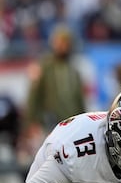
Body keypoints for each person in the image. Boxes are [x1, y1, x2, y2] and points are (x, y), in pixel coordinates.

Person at [21, 24, 86, 163]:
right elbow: (33, 96)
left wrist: (83, 123)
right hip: (48, 124)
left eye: (66, 43)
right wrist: (31, 122)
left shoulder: (74, 71)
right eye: (60, 43)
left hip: (71, 127)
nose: (63, 46)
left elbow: (79, 100)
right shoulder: (44, 66)